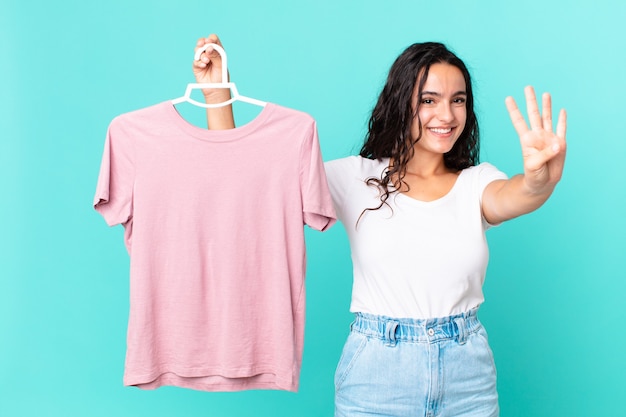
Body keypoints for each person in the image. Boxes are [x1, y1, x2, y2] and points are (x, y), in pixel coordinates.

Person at [191, 34, 567, 417]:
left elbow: (519, 194)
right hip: (377, 376)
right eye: (428, 100)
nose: (448, 115)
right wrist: (217, 95)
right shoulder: (355, 178)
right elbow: (248, 184)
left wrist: (541, 179)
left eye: (458, 100)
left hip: (466, 376)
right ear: (401, 102)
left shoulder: (476, 183)